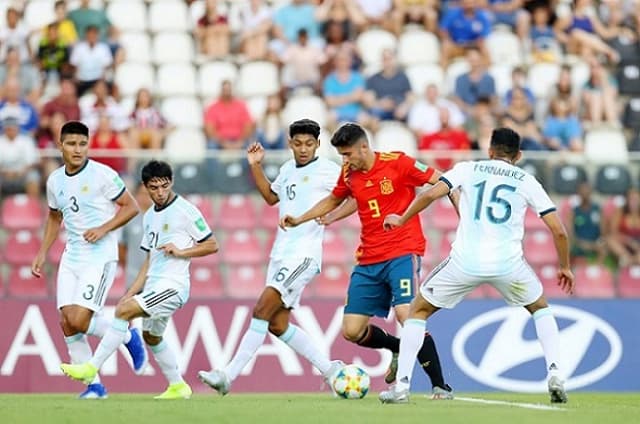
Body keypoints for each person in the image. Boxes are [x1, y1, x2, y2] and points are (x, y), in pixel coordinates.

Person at [378, 127, 573, 404]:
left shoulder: (469, 168)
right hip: (508, 265)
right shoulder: (527, 180)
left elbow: (431, 194)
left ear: (490, 150)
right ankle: (555, 374)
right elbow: (560, 231)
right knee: (540, 308)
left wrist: (402, 217)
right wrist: (564, 267)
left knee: (417, 311)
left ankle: (402, 387)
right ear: (518, 155)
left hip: (465, 262)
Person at [280, 122, 454, 399]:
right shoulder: (349, 173)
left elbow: (443, 181)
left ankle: (440, 385)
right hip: (368, 258)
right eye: (341, 155)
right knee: (352, 330)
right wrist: (302, 218)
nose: (344, 160)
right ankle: (398, 347)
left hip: (402, 250)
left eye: (348, 154)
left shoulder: (398, 162)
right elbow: (335, 199)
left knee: (406, 315)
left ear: (364, 147)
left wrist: (460, 210)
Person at [198, 119, 345, 395]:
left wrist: (333, 215)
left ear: (318, 145)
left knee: (261, 309)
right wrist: (255, 165)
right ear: (290, 144)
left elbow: (353, 195)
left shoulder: (328, 170)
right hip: (281, 253)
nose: (303, 149)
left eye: (309, 144)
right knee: (277, 325)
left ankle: (228, 375)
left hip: (303, 255)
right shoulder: (288, 169)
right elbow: (270, 197)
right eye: (298, 143)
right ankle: (331, 369)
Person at [61, 160, 218, 399]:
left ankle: (91, 367)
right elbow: (149, 261)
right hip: (154, 285)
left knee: (122, 313)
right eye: (154, 187)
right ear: (145, 187)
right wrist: (132, 291)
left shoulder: (186, 211)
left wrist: (182, 251)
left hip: (173, 287)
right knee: (152, 337)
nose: (160, 192)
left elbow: (212, 244)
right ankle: (178, 386)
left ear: (171, 182)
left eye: (164, 186)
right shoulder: (148, 217)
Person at [31, 121, 146, 399]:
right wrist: (42, 251)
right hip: (72, 256)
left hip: (100, 255)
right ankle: (94, 387)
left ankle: (127, 335)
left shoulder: (102, 174)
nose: (78, 149)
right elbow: (55, 217)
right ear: (60, 146)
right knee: (67, 322)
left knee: (80, 319)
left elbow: (132, 206)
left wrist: (104, 228)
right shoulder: (55, 181)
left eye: (83, 144)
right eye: (71, 144)